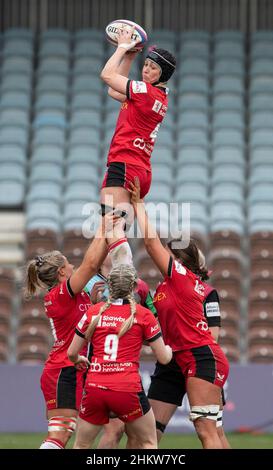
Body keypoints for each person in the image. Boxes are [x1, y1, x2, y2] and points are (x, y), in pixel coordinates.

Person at [129, 178, 230, 449]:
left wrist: (138, 205)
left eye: (168, 253)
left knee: (207, 432)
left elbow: (151, 244)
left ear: (179, 260)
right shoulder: (165, 288)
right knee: (147, 434)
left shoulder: (180, 277)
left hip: (199, 355)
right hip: (173, 360)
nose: (162, 255)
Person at [24, 213, 117, 449]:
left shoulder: (73, 295)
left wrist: (108, 236)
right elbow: (91, 265)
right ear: (61, 273)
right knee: (60, 436)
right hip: (63, 370)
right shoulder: (62, 294)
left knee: (92, 431)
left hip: (73, 368)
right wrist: (102, 229)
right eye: (68, 264)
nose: (73, 266)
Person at [68, 264, 173, 449]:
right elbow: (164, 358)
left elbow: (71, 353)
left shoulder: (93, 312)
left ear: (109, 286)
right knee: (148, 442)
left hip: (95, 387)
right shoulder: (143, 315)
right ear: (134, 287)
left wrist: (79, 360)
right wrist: (170, 349)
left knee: (81, 445)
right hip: (127, 388)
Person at [100, 26, 176, 221]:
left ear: (163, 75)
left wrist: (122, 47)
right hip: (140, 169)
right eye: (146, 64)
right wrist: (130, 58)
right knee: (110, 232)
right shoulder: (158, 96)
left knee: (111, 228)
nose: (146, 70)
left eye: (153, 68)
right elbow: (113, 91)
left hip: (125, 163)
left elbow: (107, 76)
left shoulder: (145, 92)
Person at [148, 277, 231, 449]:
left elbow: (213, 335)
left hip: (200, 361)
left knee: (213, 431)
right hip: (170, 364)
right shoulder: (161, 292)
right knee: (149, 432)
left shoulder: (207, 292)